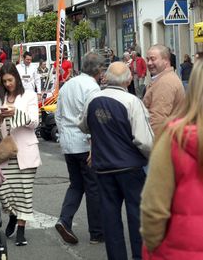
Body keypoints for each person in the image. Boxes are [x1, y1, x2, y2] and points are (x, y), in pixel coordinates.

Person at [141, 52, 203, 259]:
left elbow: (154, 208)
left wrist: (153, 248)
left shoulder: (174, 137)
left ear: (194, 87)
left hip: (182, 249)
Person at [79, 62, 154, 260]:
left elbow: (83, 125)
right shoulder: (131, 102)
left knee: (110, 218)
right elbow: (144, 141)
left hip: (103, 166)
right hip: (130, 167)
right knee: (137, 216)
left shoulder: (93, 99)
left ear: (106, 78)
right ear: (129, 80)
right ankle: (139, 256)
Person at [0, 61, 41, 246]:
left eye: (10, 80)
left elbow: (34, 122)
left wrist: (15, 112)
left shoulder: (30, 96)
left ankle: (21, 230)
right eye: (4, 81)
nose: (8, 84)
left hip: (26, 151)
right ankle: (12, 214)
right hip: (5, 152)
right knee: (4, 190)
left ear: (17, 78)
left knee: (24, 192)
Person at [54, 52, 104, 245]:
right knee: (93, 187)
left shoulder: (69, 85)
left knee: (76, 184)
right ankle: (96, 233)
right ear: (99, 70)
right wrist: (93, 143)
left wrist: (64, 135)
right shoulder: (92, 87)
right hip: (84, 143)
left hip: (69, 143)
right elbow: (93, 118)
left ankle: (64, 220)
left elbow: (58, 115)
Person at [143, 44, 185, 136]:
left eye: (153, 59)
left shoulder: (165, 82)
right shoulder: (162, 78)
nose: (149, 63)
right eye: (147, 59)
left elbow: (158, 119)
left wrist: (152, 146)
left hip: (162, 142)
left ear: (166, 60)